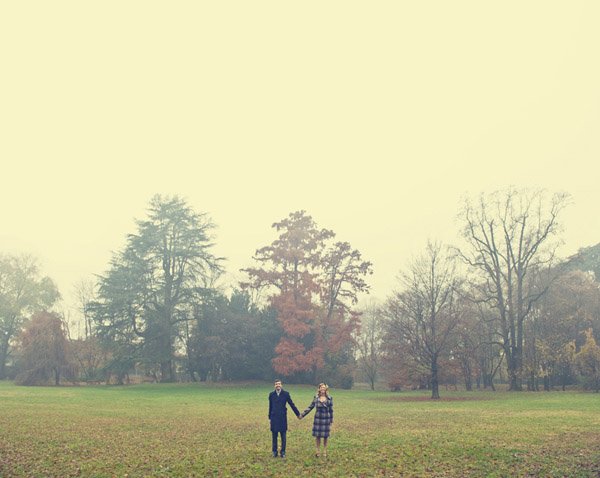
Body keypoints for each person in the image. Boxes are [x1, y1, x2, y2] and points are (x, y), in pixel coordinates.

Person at [299, 383, 334, 457]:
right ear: (319, 389)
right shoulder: (316, 398)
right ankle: (317, 450)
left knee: (325, 436)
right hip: (318, 419)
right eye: (321, 387)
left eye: (324, 388)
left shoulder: (329, 398)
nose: (322, 389)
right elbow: (310, 407)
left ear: (326, 389)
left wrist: (331, 420)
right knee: (317, 436)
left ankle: (324, 450)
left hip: (326, 419)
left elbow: (331, 410)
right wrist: (302, 414)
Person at [268, 379, 300, 458]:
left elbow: (291, 404)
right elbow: (270, 406)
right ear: (274, 386)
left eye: (279, 384)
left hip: (282, 417)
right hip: (274, 417)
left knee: (283, 435)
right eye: (276, 384)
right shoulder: (271, 395)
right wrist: (269, 416)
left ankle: (283, 451)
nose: (278, 385)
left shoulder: (286, 394)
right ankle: (274, 451)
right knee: (274, 435)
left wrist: (298, 414)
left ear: (281, 385)